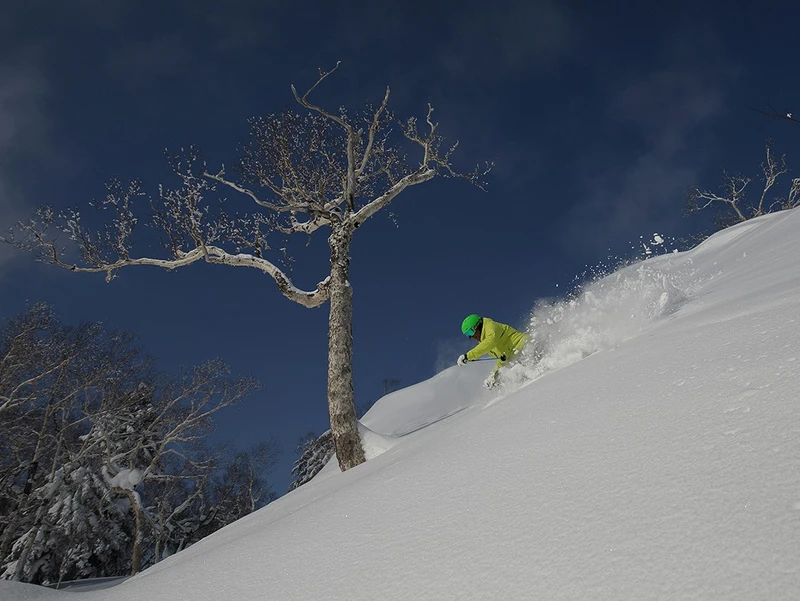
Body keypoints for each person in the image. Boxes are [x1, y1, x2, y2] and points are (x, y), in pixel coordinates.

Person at [457, 314, 529, 388]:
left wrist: (468, 356)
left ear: (477, 326)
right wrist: (492, 376)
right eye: (467, 334)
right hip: (516, 357)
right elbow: (502, 359)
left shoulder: (491, 327)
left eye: (470, 332)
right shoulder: (486, 341)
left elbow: (490, 342)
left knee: (522, 370)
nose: (471, 336)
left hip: (524, 346)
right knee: (500, 376)